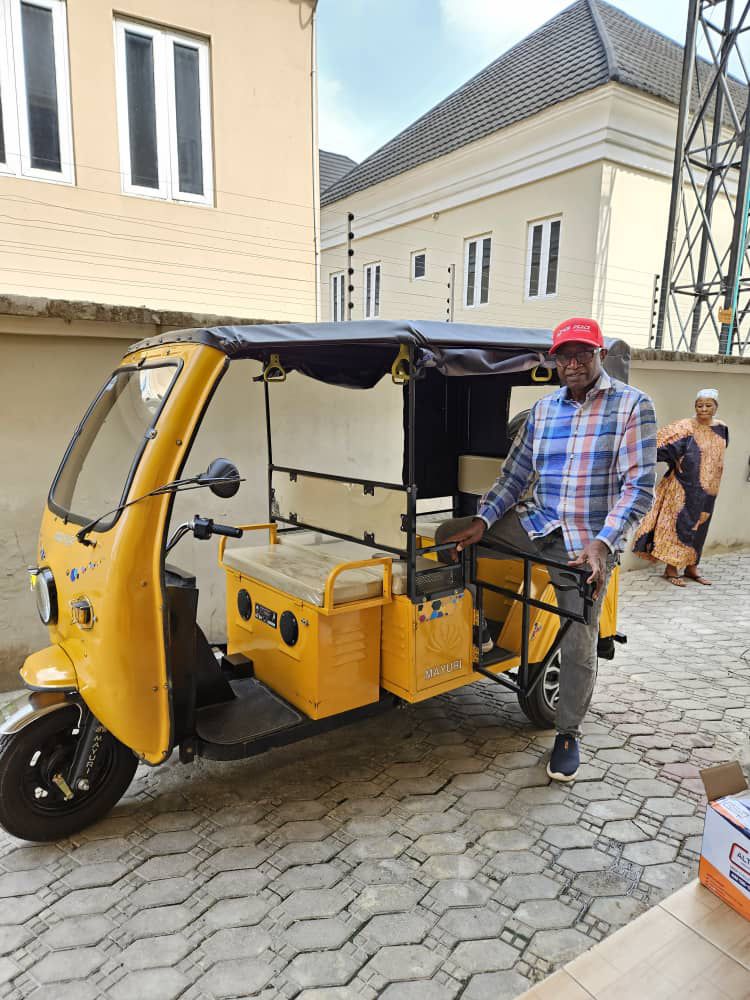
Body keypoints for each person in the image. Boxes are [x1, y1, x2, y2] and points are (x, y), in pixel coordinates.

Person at [436, 317, 656, 782]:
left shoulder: (633, 405)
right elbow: (514, 476)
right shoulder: (543, 410)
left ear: (599, 355)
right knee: (449, 536)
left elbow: (639, 488)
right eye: (564, 356)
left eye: (583, 353)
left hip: (586, 544)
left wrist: (603, 544)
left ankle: (568, 733)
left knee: (579, 637)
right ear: (554, 360)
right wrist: (482, 520)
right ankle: (479, 628)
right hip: (536, 524)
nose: (573, 364)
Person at [632, 389, 728, 586]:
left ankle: (692, 567)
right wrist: (675, 462)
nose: (703, 409)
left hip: (708, 491)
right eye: (699, 405)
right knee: (679, 526)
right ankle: (671, 569)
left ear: (716, 407)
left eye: (708, 405)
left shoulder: (722, 428)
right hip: (682, 487)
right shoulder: (684, 427)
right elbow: (656, 446)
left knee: (700, 528)